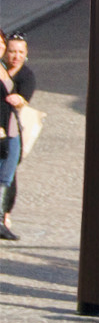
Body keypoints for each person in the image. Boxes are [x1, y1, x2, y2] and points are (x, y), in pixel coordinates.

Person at [0, 32, 36, 239]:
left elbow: (25, 99)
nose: (15, 56)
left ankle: (3, 218)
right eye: (12, 51)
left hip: (11, 130)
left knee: (7, 175)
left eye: (20, 52)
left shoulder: (25, 75)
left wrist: (20, 100)